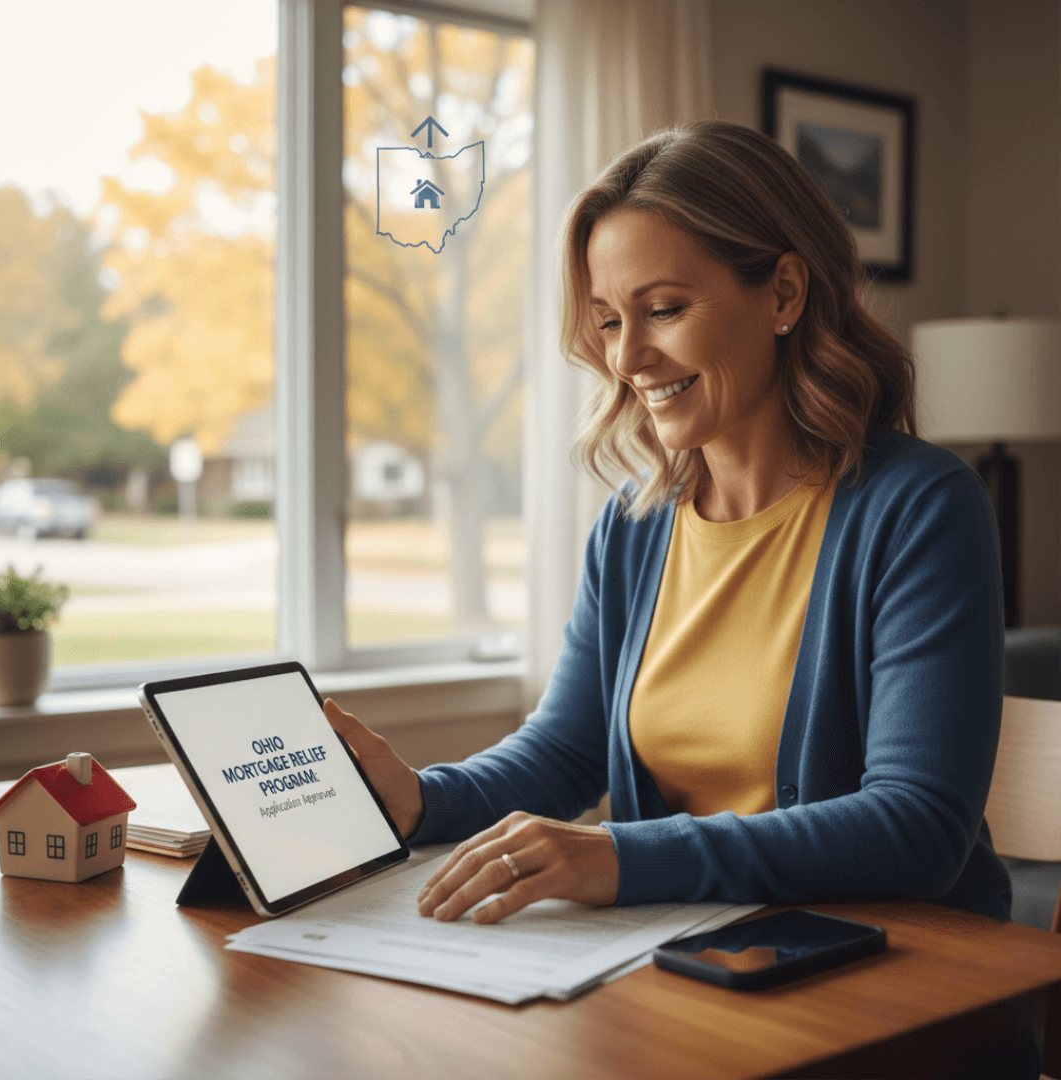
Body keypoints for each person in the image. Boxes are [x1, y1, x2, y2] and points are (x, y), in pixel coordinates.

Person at [325, 120, 1011, 934]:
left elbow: (917, 827)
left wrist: (619, 856)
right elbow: (564, 751)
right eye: (610, 320)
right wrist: (422, 798)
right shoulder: (635, 524)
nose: (627, 359)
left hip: (899, 983)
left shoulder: (921, 509)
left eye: (663, 309)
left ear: (784, 294)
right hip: (691, 968)